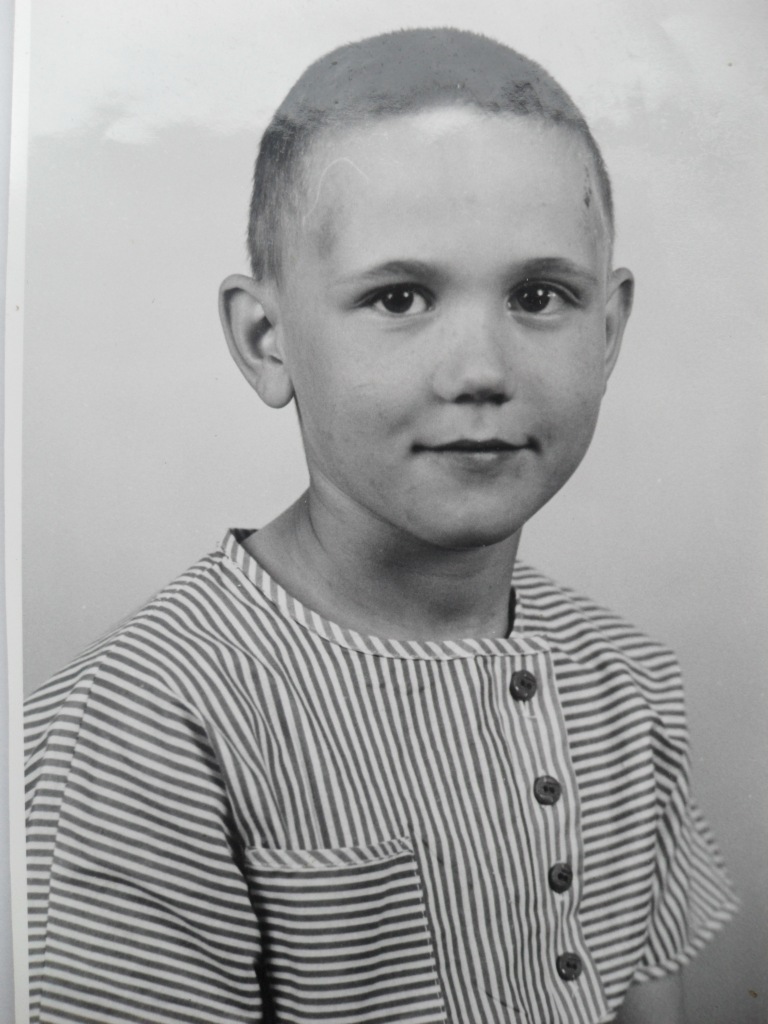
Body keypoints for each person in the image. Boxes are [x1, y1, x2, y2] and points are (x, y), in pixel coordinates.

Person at [24, 27, 737, 1024]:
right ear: (267, 340)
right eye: (399, 297)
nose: (480, 369)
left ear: (608, 332)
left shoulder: (627, 680)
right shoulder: (144, 728)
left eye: (540, 296)